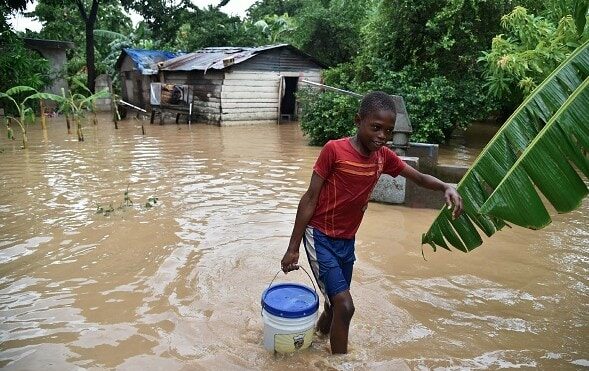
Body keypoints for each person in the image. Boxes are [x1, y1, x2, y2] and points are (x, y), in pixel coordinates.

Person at [280, 91, 463, 354]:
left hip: (346, 240)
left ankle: (317, 338)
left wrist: (446, 186)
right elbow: (309, 198)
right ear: (358, 121)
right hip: (319, 236)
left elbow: (420, 178)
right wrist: (292, 248)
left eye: (388, 131)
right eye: (375, 128)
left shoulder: (383, 157)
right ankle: (339, 363)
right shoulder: (334, 150)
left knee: (335, 305)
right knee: (346, 305)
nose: (381, 136)